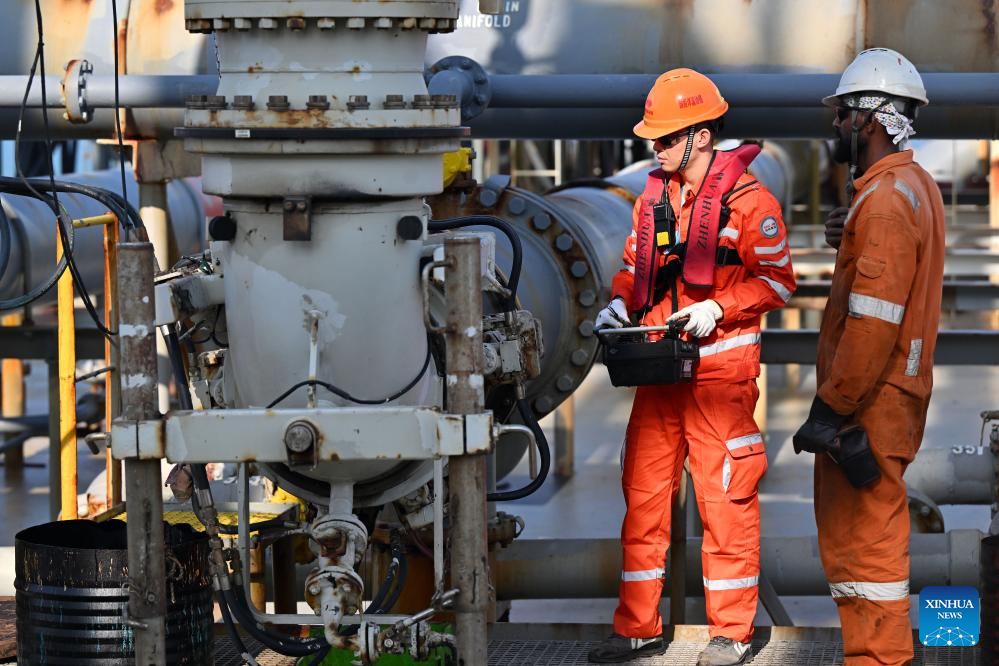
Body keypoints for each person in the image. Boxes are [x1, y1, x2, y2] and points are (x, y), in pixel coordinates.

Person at [588, 68, 796, 665]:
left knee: (725, 507)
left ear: (701, 137)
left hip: (719, 381)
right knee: (643, 502)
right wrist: (619, 304)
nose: (655, 148)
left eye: (666, 137)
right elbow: (634, 269)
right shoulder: (653, 199)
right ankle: (638, 628)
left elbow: (779, 282)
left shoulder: (752, 204)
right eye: (653, 138)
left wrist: (718, 308)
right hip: (659, 374)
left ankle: (731, 634)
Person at [793, 48, 945, 665]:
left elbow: (873, 321)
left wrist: (831, 406)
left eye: (843, 114)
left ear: (872, 119)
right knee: (865, 551)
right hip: (885, 400)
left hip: (868, 406)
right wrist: (850, 232)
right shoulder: (907, 186)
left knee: (865, 556)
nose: (836, 125)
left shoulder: (883, 202)